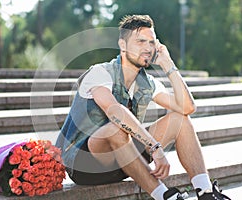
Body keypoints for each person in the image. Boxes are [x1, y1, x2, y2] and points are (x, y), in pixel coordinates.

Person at [56, 15, 231, 200]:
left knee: (180, 120)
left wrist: (168, 64)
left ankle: (206, 192)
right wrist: (154, 147)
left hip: (127, 161)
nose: (148, 48)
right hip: (85, 165)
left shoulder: (147, 83)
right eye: (140, 41)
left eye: (151, 42)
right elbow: (114, 111)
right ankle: (165, 196)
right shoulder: (101, 73)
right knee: (116, 129)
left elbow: (188, 107)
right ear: (122, 45)